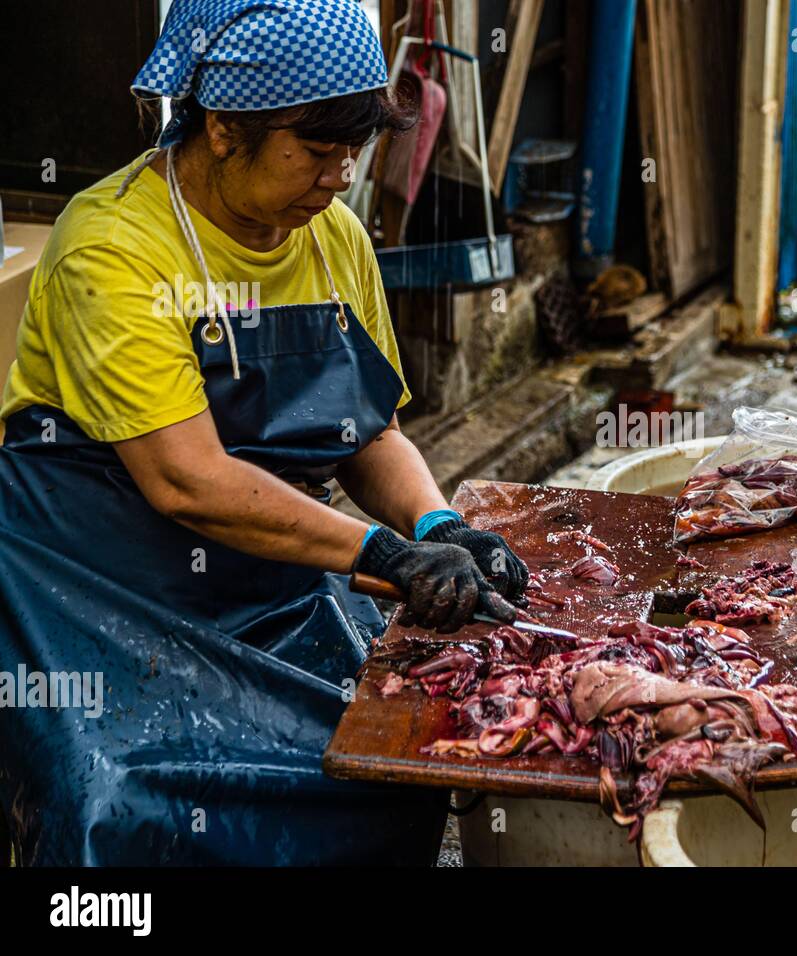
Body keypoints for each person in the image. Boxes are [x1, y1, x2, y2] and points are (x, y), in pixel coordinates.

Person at [0, 0, 526, 865]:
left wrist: (438, 527)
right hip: (90, 589)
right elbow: (188, 480)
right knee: (118, 803)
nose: (341, 175)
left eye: (353, 150)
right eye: (316, 150)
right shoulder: (115, 248)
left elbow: (370, 435)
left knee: (387, 760)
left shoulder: (334, 239)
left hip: (276, 573)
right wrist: (382, 557)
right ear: (221, 126)